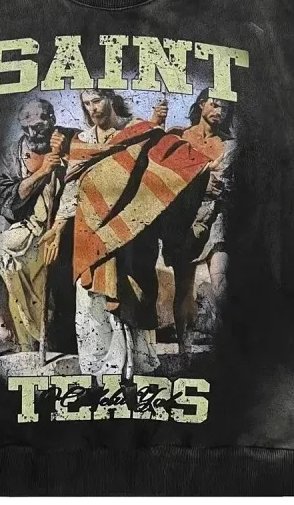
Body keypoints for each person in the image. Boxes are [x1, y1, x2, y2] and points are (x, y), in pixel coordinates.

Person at [38, 89, 211, 384]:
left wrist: (198, 164)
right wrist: (57, 228)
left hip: (130, 233)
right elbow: (72, 189)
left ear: (110, 98)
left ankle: (130, 367)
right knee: (91, 300)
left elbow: (168, 158)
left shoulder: (137, 132)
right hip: (89, 231)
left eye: (97, 100)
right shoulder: (82, 141)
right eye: (86, 103)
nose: (92, 108)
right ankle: (99, 371)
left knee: (130, 297)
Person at [0, 98, 76, 354]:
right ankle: (30, 347)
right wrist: (42, 172)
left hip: (65, 239)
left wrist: (65, 156)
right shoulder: (11, 155)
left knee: (63, 298)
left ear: (51, 120)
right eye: (26, 127)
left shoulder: (71, 139)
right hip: (24, 242)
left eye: (38, 126)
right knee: (21, 291)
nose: (32, 133)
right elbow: (4, 199)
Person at [162, 89, 236, 356]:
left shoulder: (230, 144)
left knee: (222, 282)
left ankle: (228, 348)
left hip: (217, 215)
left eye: (224, 108)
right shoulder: (181, 137)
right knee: (184, 287)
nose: (219, 112)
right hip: (185, 216)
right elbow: (168, 176)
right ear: (202, 104)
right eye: (215, 105)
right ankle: (184, 350)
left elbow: (229, 183)